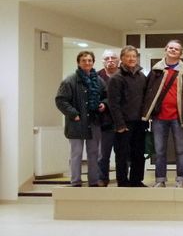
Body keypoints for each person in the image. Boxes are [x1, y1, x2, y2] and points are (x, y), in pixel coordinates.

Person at [142, 40, 183, 188]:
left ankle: (181, 180)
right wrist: (147, 113)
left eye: (176, 49)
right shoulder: (156, 70)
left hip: (179, 117)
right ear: (165, 50)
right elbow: (148, 92)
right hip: (159, 118)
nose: (173, 50)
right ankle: (160, 179)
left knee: (181, 150)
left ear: (181, 53)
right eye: (170, 48)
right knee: (160, 150)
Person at [55, 51, 107, 187]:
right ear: (78, 62)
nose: (87, 63)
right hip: (76, 123)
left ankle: (93, 181)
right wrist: (73, 114)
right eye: (84, 60)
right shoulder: (69, 80)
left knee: (94, 154)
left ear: (93, 62)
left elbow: (106, 96)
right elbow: (61, 100)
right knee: (76, 154)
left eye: (90, 60)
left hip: (94, 122)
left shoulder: (99, 81)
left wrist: (103, 104)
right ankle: (76, 181)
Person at [107, 45, 148, 187]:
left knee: (138, 153)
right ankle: (123, 182)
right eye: (128, 56)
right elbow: (113, 104)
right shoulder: (116, 78)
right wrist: (120, 124)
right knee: (122, 155)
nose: (131, 59)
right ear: (122, 59)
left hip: (139, 123)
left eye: (134, 56)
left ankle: (137, 180)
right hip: (123, 124)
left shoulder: (141, 76)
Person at [97, 49, 119, 187]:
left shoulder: (125, 75)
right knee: (103, 155)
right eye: (107, 58)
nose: (110, 60)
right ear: (103, 61)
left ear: (118, 61)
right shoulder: (96, 77)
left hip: (123, 121)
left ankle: (122, 179)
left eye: (113, 58)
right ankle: (102, 179)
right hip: (104, 122)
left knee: (123, 155)